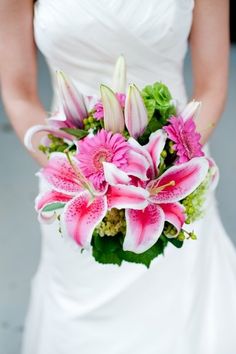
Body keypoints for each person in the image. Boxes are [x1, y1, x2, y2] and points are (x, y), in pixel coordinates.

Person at [0, 1, 236, 353]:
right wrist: (75, 171)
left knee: (177, 314)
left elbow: (212, 86)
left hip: (170, 177)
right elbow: (18, 92)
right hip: (75, 180)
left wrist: (167, 167)